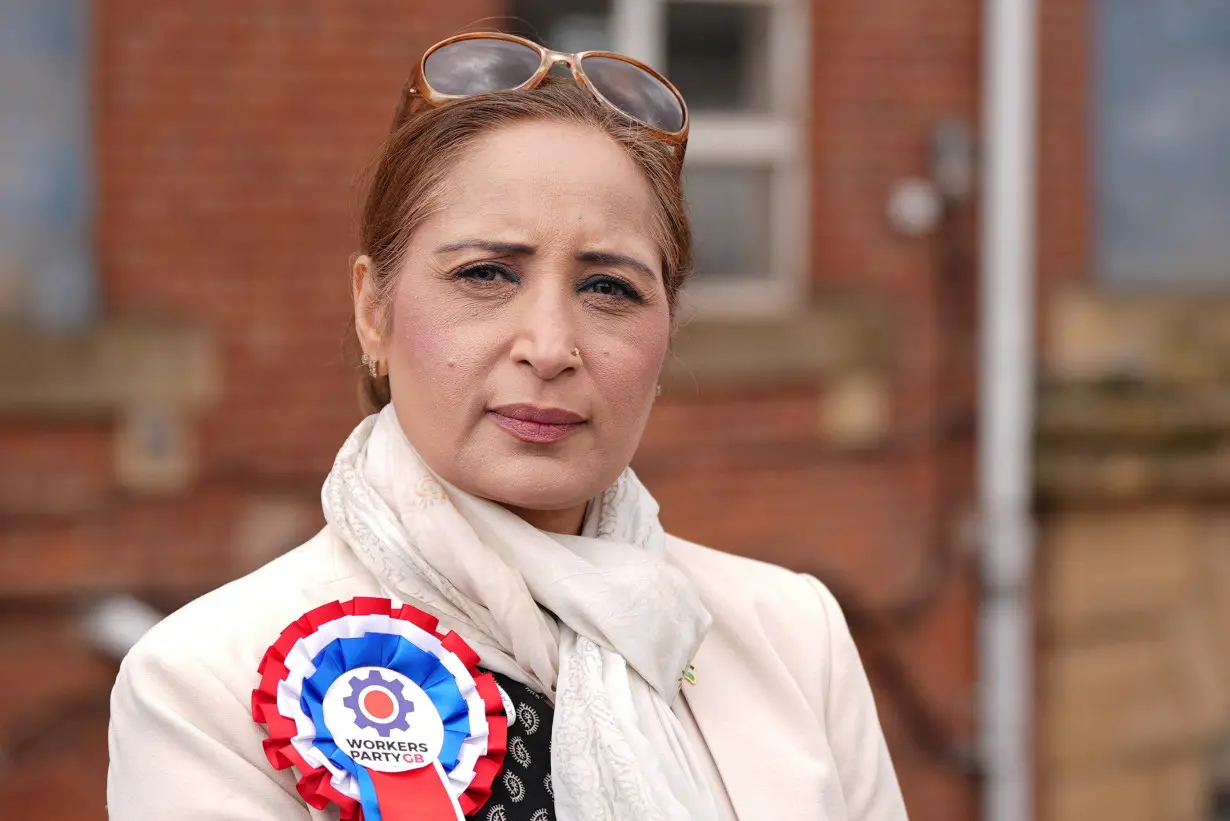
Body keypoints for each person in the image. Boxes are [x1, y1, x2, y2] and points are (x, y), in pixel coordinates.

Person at [106, 32, 908, 821]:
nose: (551, 347)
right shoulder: (205, 684)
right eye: (486, 274)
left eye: (609, 288)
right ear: (371, 310)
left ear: (667, 333)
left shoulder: (794, 638)